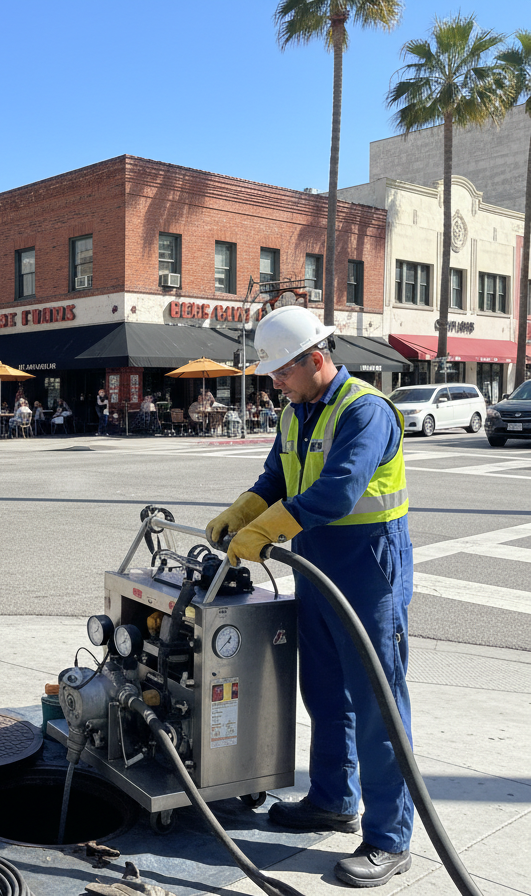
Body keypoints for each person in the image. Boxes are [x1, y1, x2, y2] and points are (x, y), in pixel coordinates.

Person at [205, 305, 414, 889]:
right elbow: (278, 475)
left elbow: (341, 489)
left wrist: (270, 528)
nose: (274, 383)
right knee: (323, 690)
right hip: (316, 563)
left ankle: (389, 838)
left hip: (368, 568)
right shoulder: (297, 412)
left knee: (377, 705)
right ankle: (331, 799)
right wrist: (246, 508)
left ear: (316, 360)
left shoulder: (365, 412)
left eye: (281, 373)